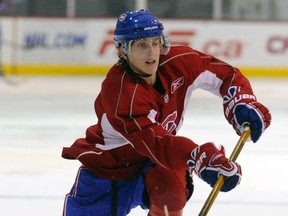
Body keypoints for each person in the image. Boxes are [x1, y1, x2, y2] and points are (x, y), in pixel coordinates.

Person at [62, 9, 271, 216]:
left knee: (170, 189)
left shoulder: (180, 63)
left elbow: (227, 76)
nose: (151, 52)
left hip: (157, 163)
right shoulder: (121, 93)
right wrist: (198, 156)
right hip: (108, 171)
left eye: (155, 42)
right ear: (123, 50)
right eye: (141, 45)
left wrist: (240, 101)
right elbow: (157, 143)